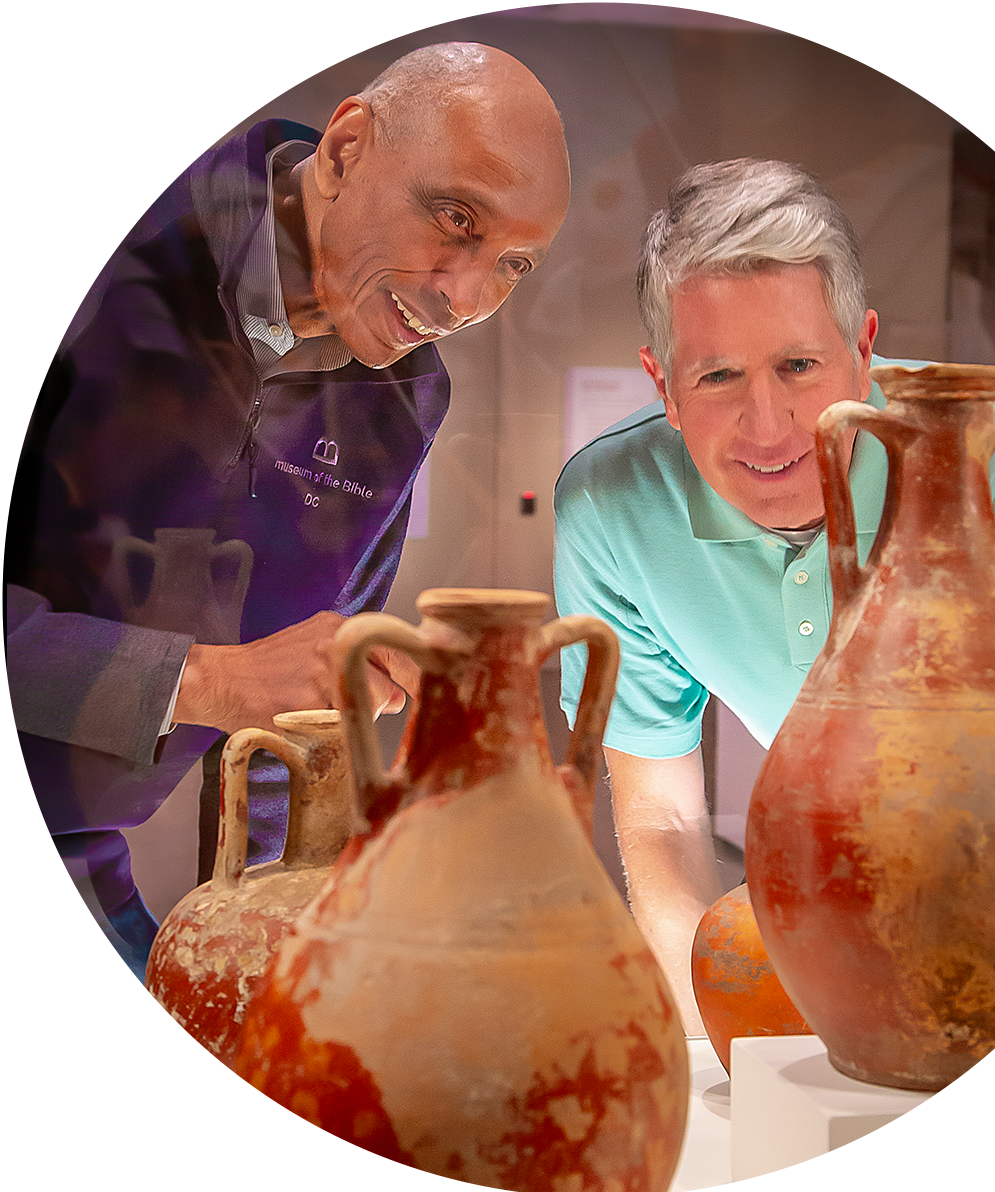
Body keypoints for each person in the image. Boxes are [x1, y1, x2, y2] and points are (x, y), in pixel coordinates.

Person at [553, 158, 995, 1034]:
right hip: (835, 858)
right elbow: (658, 818)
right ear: (662, 385)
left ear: (864, 350)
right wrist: (730, 1058)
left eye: (800, 365)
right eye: (718, 377)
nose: (767, 429)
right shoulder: (612, 508)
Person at [5, 42, 571, 976]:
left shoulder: (406, 397)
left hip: (78, 862)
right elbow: (238, 686)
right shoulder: (96, 239)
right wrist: (206, 682)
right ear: (347, 149)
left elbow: (290, 708)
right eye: (455, 219)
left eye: (511, 263)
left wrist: (274, 917)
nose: (465, 298)